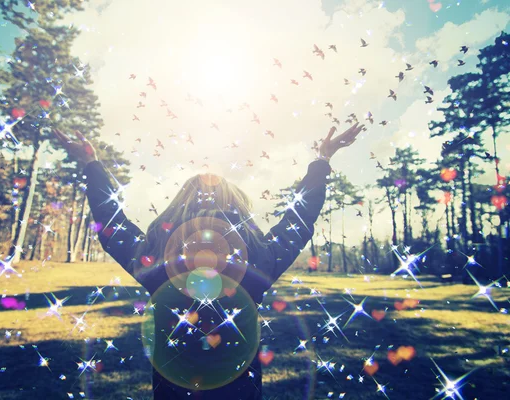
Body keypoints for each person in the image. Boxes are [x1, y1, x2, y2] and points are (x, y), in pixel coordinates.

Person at [53, 123, 363, 399]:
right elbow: (299, 218)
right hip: (240, 387)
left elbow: (112, 225)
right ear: (238, 206)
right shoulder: (256, 260)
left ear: (178, 207)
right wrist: (322, 160)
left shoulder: (159, 261)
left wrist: (91, 164)